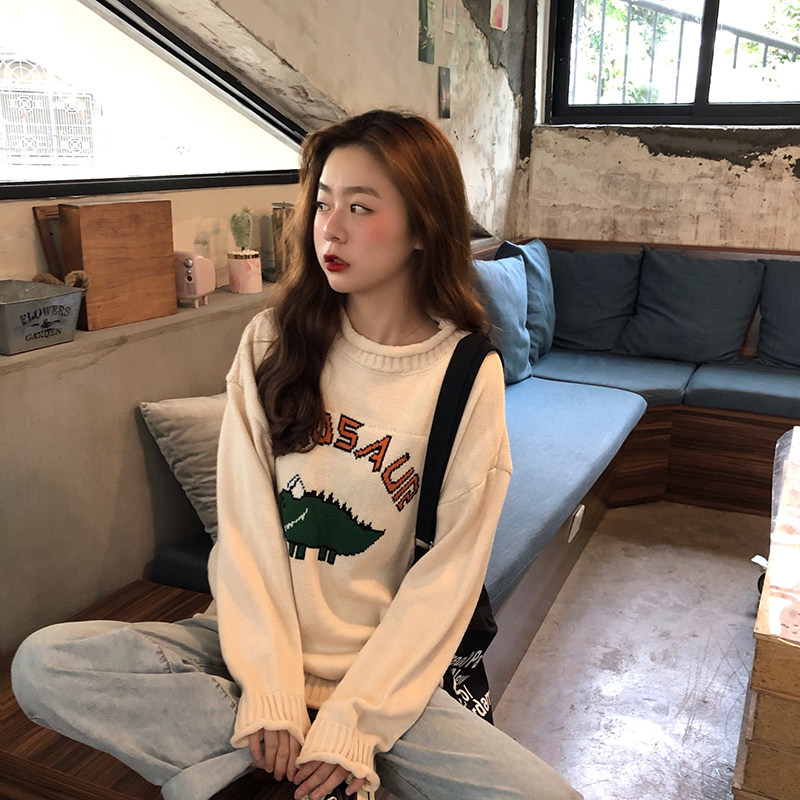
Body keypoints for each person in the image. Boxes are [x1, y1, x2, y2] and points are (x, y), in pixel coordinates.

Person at [12, 109, 582, 800]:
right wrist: (272, 693)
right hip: (246, 649)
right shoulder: (272, 341)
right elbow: (247, 533)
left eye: (360, 207)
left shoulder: (466, 373)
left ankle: (269, 770)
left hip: (382, 677)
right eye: (323, 203)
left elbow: (448, 579)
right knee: (44, 664)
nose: (330, 229)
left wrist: (353, 725)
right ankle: (305, 772)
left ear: (423, 228)